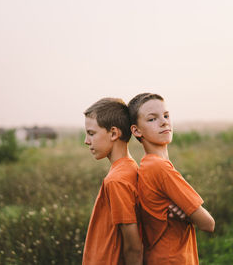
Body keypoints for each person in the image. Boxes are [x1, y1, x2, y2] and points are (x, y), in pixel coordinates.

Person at [128, 93, 215, 265]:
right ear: (136, 130)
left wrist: (187, 214)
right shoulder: (160, 168)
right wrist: (189, 217)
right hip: (172, 259)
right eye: (152, 119)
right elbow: (208, 224)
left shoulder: (147, 165)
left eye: (166, 115)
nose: (164, 122)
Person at [82, 97, 142, 265]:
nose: (86, 141)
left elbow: (133, 247)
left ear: (114, 133)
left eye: (91, 133)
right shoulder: (129, 169)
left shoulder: (117, 180)